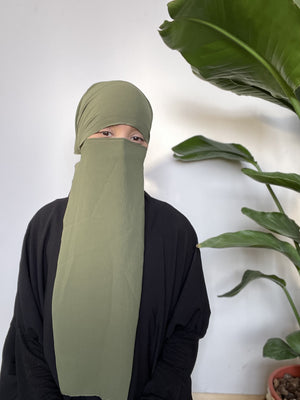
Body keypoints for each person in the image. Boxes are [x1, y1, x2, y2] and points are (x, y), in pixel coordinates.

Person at [0, 80, 210, 400]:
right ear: (83, 136)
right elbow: (28, 331)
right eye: (107, 132)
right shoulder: (45, 226)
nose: (121, 146)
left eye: (136, 137)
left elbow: (183, 336)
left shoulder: (175, 232)